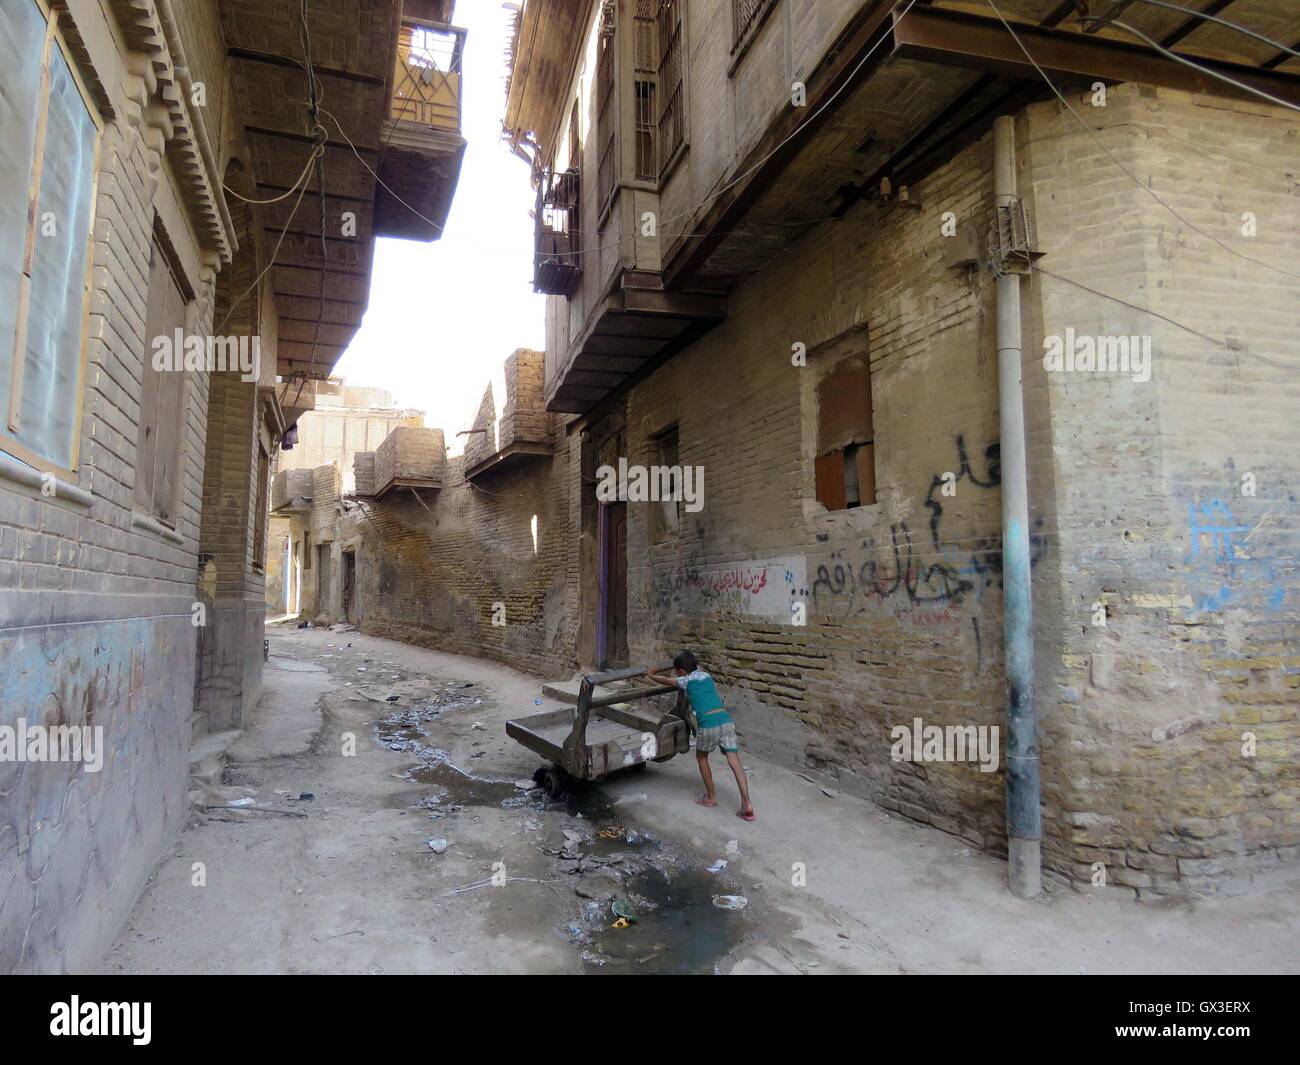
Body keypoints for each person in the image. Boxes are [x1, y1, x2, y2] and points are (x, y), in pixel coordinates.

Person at [647, 652, 755, 821]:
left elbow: (664, 681)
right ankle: (747, 803)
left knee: (701, 756)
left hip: (708, 722)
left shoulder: (685, 680)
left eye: (677, 672)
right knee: (734, 760)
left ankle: (711, 797)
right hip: (725, 720)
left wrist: (651, 674)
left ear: (681, 672)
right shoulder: (706, 675)